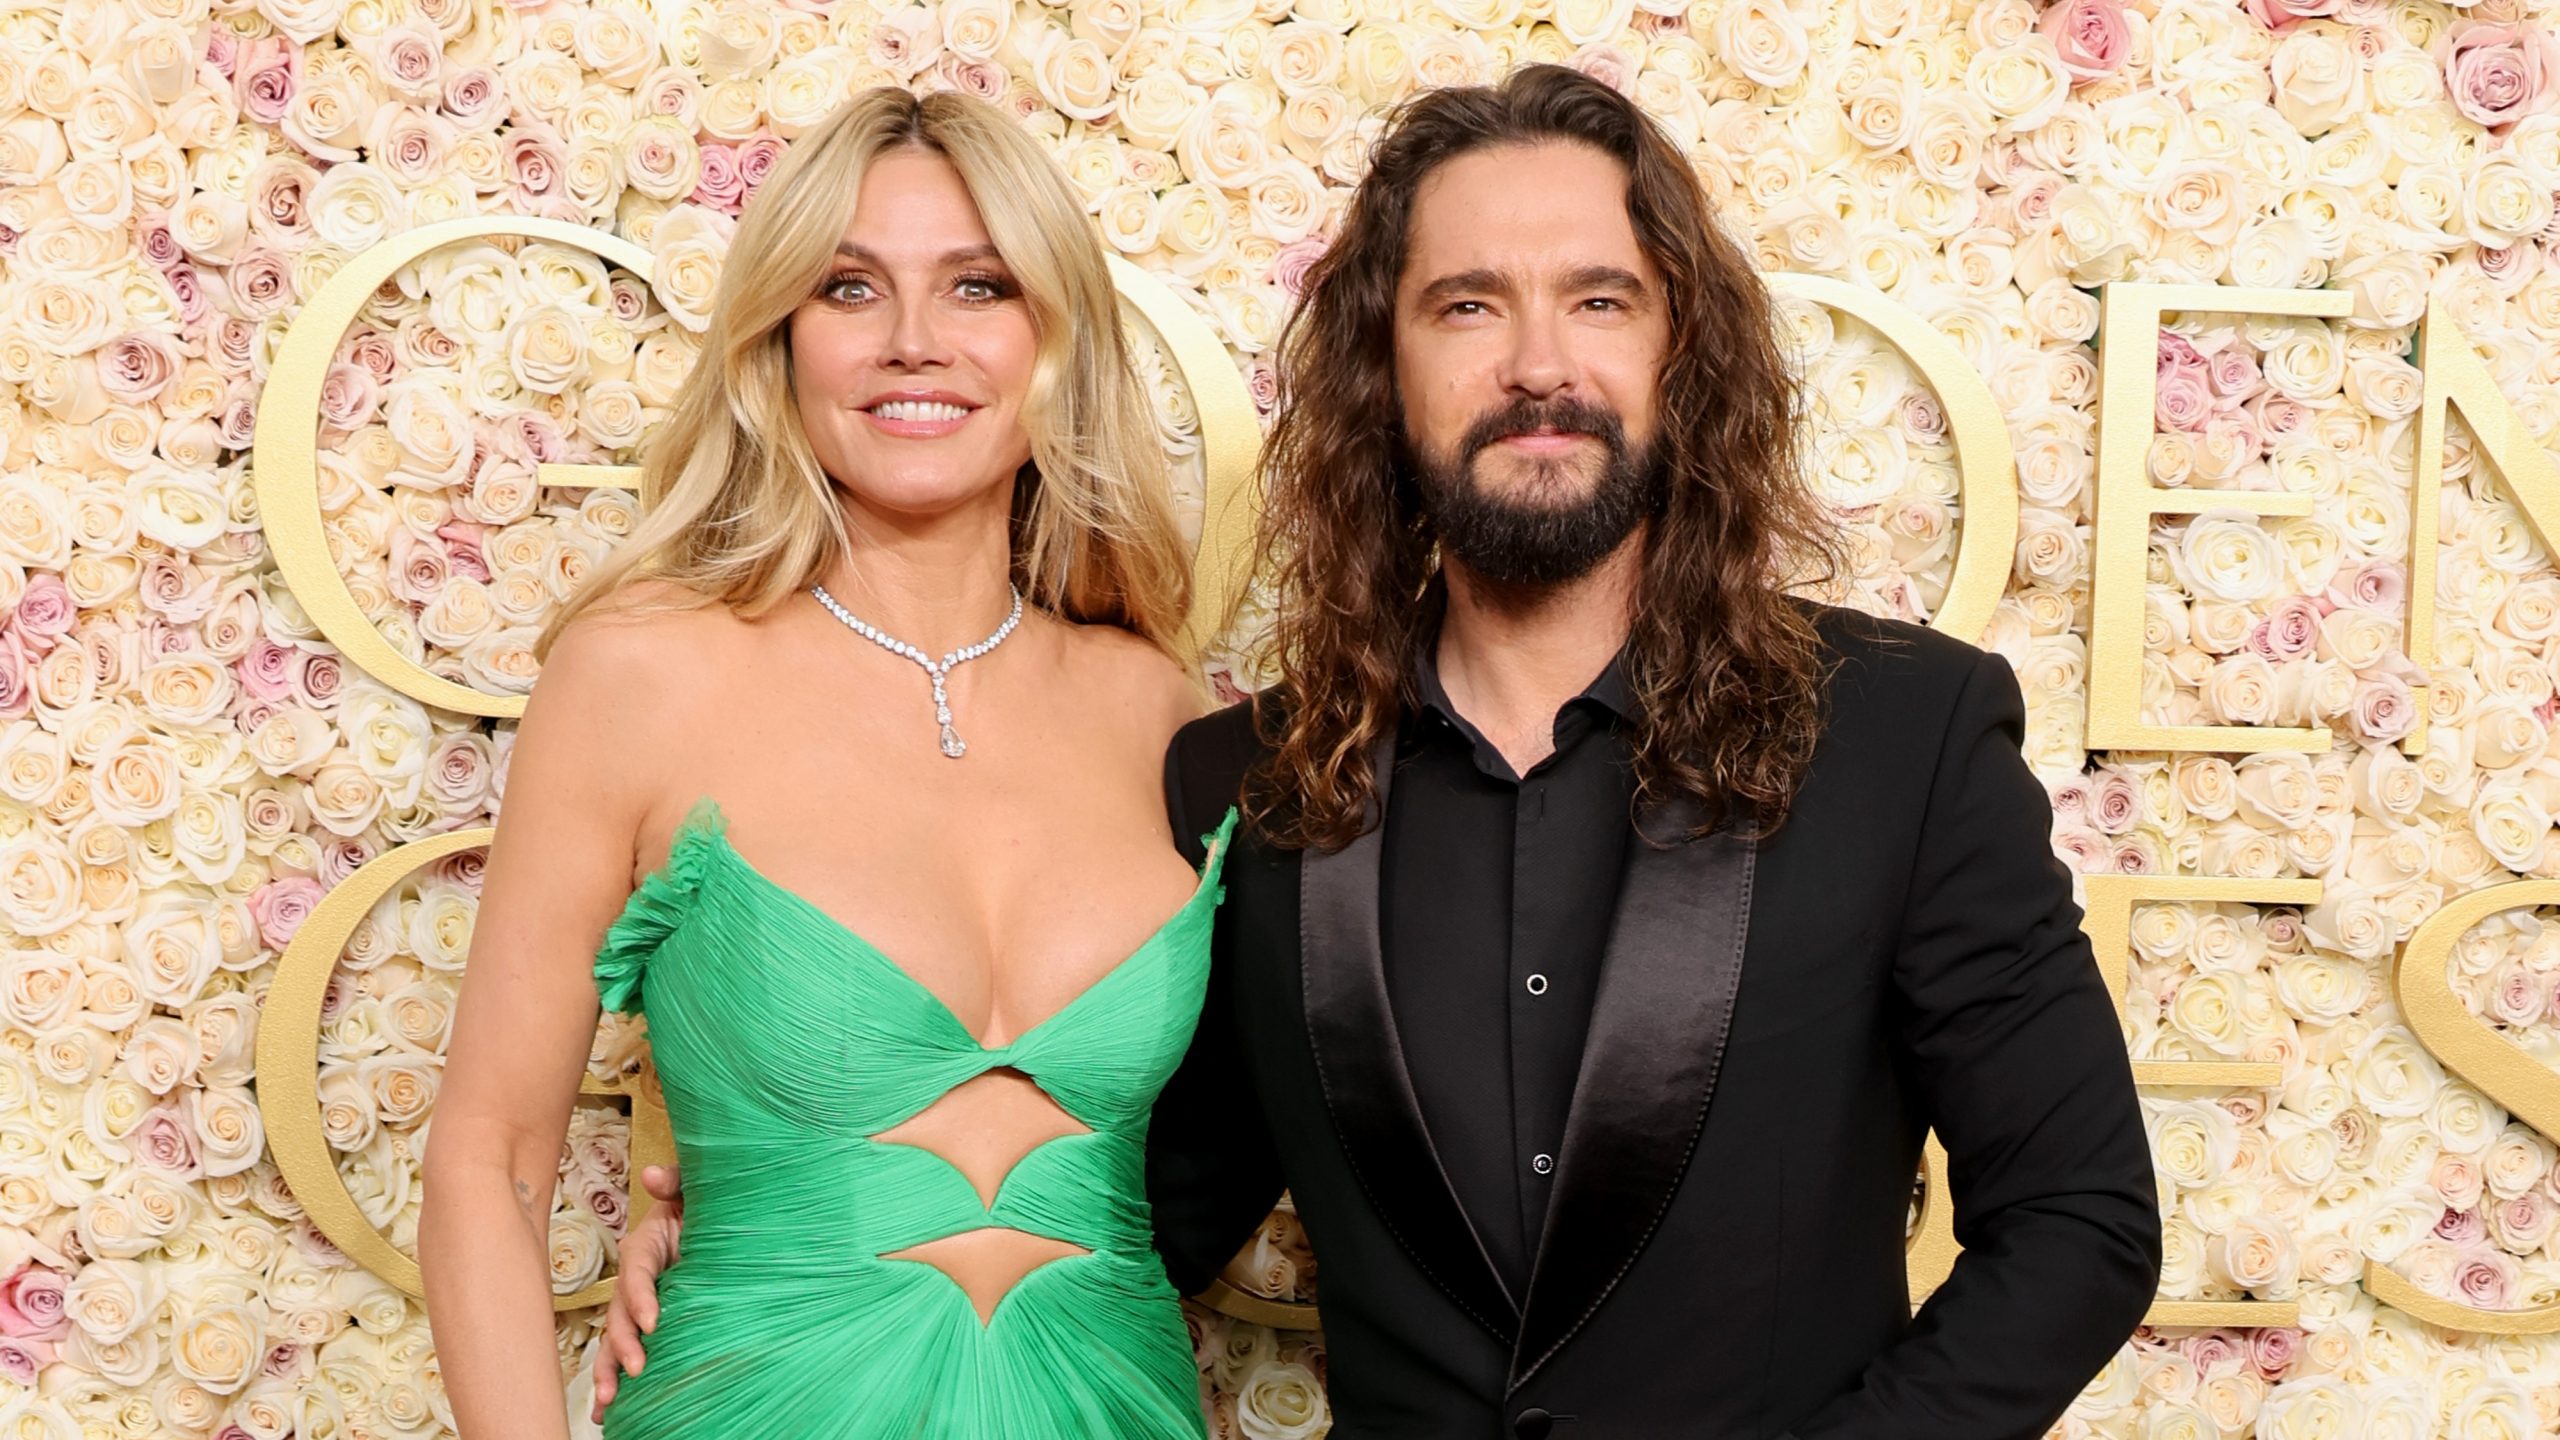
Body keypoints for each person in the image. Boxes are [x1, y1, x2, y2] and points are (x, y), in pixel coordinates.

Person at [599, 65, 2162, 1439]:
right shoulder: (1245, 787)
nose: (1538, 363)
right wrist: (795, 1241)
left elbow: (2080, 1222)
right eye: (1468, 305)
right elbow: (1136, 1203)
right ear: (1382, 366)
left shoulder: (1903, 733)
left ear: (1681, 352)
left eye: (1600, 300)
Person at [419, 86, 1230, 1440]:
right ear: (779, 343)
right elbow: (489, 1159)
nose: (915, 341)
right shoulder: (640, 675)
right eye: (850, 288)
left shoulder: (1155, 707)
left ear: (1054, 337)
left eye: (979, 285)